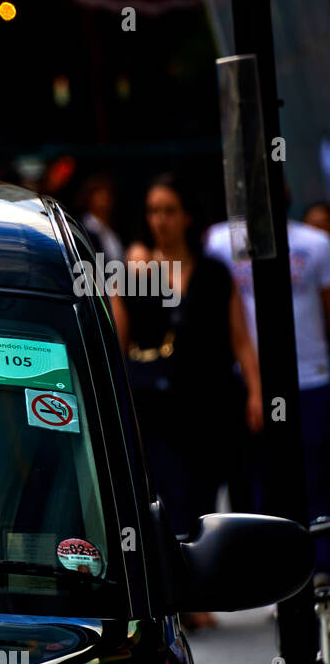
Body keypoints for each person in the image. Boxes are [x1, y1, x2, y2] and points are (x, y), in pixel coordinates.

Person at [110, 176, 262, 627]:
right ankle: (179, 599)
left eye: (169, 210)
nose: (160, 220)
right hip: (153, 405)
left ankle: (196, 590)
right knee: (165, 497)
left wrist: (256, 390)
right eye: (153, 210)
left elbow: (240, 337)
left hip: (208, 402)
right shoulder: (136, 269)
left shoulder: (213, 272)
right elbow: (118, 339)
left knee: (200, 496)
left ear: (186, 215)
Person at [205, 208, 330, 574]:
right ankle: (274, 572)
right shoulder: (218, 242)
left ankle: (318, 568)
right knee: (263, 478)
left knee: (315, 477)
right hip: (251, 379)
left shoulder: (316, 242)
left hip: (311, 376)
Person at [78, 174, 125, 262]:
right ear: (89, 198)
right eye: (99, 195)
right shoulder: (84, 229)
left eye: (107, 194)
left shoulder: (113, 229)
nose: (104, 200)